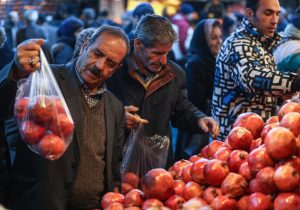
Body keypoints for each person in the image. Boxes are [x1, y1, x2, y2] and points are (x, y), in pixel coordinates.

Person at [0, 25, 130, 210]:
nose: (99, 65)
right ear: (85, 46)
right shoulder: (44, 79)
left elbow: (113, 163)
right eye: (97, 53)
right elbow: (2, 108)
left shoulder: (115, 107)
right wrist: (16, 72)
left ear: (117, 68)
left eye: (110, 63)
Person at [106, 14, 220, 168]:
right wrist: (118, 116)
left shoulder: (174, 74)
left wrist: (199, 118)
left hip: (158, 162)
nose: (164, 60)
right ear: (138, 44)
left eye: (166, 53)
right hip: (117, 160)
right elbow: (96, 105)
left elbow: (181, 107)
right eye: (157, 53)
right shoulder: (115, 69)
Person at [211, 0, 300, 140]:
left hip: (256, 137)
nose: (275, 20)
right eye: (268, 13)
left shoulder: (262, 43)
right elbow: (252, 79)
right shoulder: (238, 43)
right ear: (249, 13)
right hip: (232, 139)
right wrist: (294, 81)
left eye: (277, 14)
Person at [175, 19, 223, 160]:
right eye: (213, 38)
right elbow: (196, 99)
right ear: (203, 39)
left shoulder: (210, 59)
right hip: (196, 125)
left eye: (220, 37)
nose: (218, 41)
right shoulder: (196, 62)